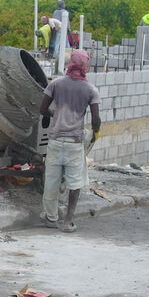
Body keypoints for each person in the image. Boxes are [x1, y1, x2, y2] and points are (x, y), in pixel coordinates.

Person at [39, 49, 101, 233]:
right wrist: (95, 133)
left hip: (55, 142)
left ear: (70, 64)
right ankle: (67, 222)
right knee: (75, 184)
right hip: (75, 143)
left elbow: (43, 108)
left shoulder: (56, 84)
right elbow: (96, 120)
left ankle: (51, 218)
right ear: (85, 67)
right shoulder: (90, 90)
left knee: (51, 183)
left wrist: (55, 115)